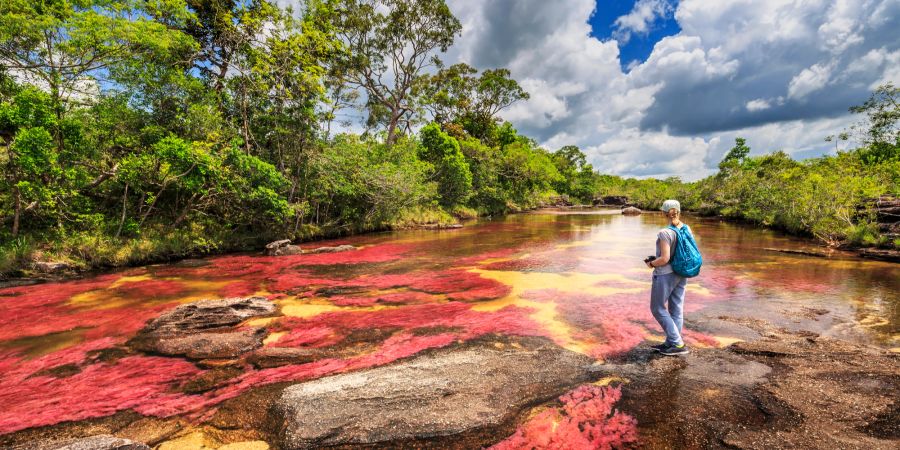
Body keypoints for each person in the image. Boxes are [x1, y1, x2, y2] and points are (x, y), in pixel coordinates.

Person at [646, 199, 690, 356]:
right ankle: (671, 343)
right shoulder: (686, 229)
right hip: (682, 272)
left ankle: (677, 344)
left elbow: (664, 259)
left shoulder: (665, 233)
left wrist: (651, 263)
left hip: (665, 274)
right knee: (676, 308)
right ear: (678, 211)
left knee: (657, 308)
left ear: (664, 213)